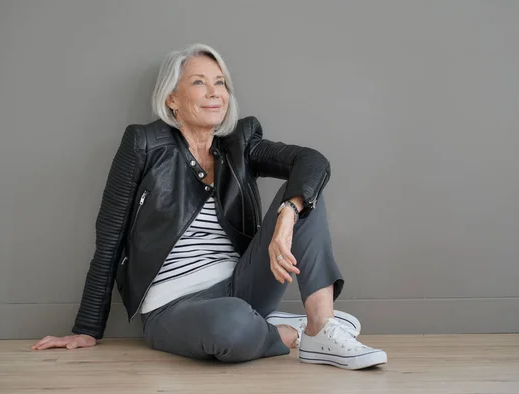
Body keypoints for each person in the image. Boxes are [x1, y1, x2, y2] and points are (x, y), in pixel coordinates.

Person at [31, 44, 387, 370]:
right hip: (174, 307)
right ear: (172, 98)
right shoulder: (143, 144)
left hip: (244, 284)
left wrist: (287, 216)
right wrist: (86, 329)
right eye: (200, 83)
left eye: (221, 83)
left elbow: (313, 161)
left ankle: (321, 330)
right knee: (230, 326)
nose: (215, 92)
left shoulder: (240, 143)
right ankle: (290, 332)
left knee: (305, 193)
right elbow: (108, 239)